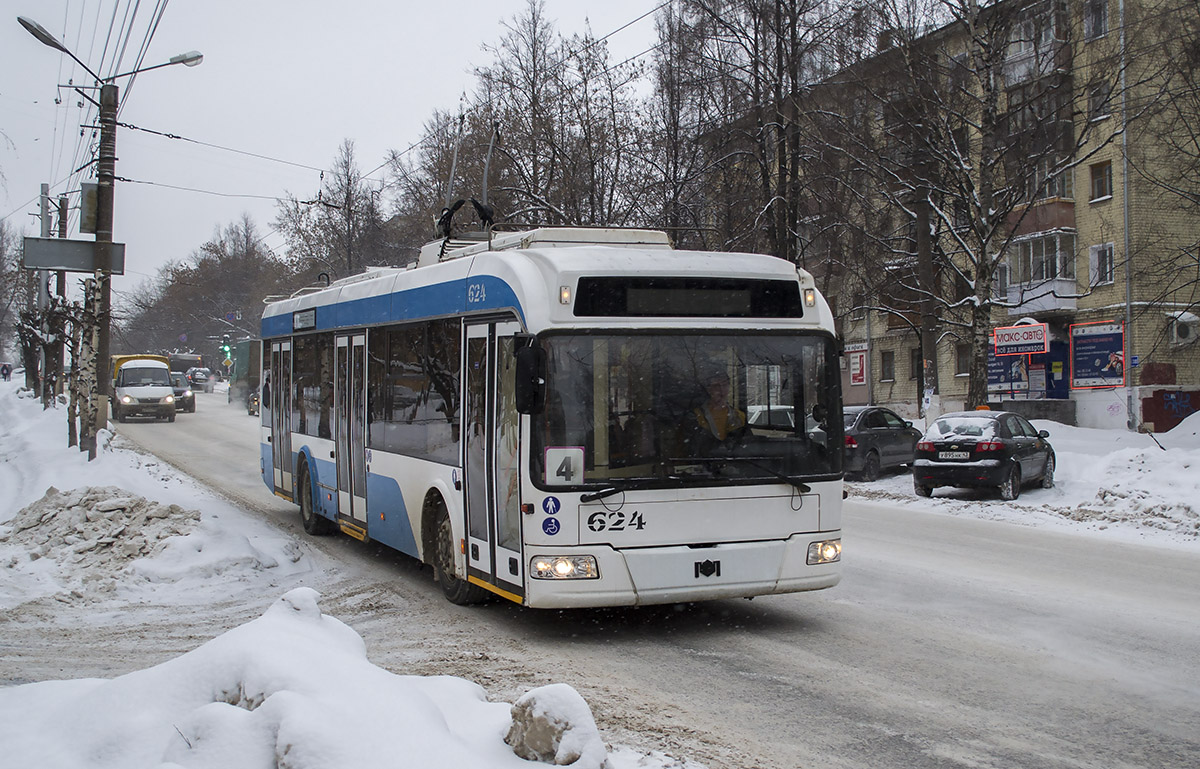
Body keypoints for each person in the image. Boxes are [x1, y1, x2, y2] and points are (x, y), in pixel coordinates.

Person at [692, 369, 746, 445]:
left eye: (725, 385)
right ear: (709, 389)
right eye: (716, 386)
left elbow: (747, 445)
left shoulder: (740, 417)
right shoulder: (695, 416)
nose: (721, 390)